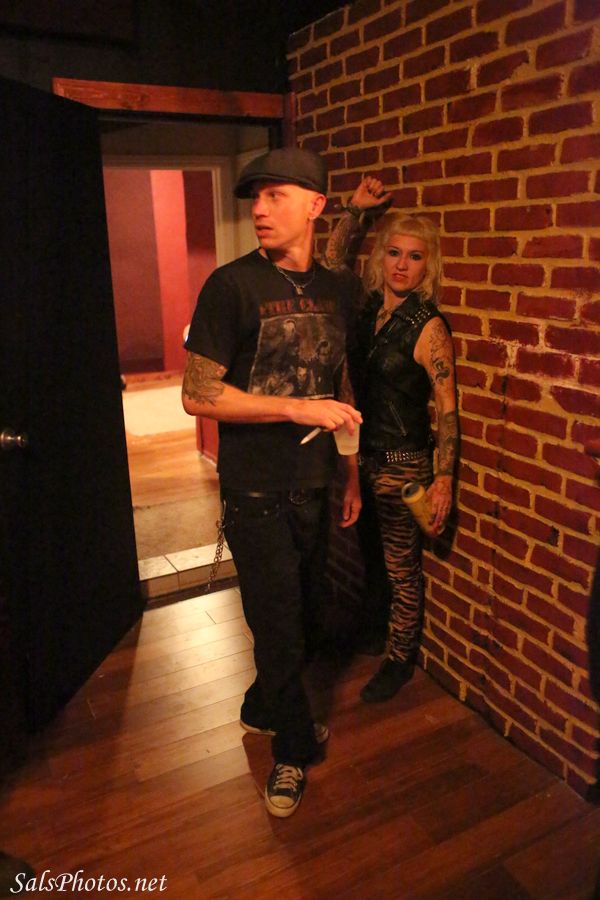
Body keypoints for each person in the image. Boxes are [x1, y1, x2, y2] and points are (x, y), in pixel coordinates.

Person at [182, 147, 363, 818]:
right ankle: (291, 751)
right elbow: (197, 394)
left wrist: (349, 470)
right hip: (254, 490)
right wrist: (295, 408)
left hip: (314, 482)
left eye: (275, 195)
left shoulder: (341, 290)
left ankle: (263, 705)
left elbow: (342, 385)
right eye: (254, 197)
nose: (258, 209)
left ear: (315, 205)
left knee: (307, 617)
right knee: (279, 626)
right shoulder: (230, 286)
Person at [326, 177, 459, 703]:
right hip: (361, 458)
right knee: (369, 554)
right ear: (381, 256)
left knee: (402, 567)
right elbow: (332, 263)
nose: (402, 265)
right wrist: (355, 212)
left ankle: (400, 658)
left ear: (429, 267)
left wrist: (444, 478)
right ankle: (373, 629)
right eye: (395, 253)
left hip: (404, 465)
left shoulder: (428, 327)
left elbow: (447, 411)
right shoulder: (365, 310)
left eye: (415, 257)